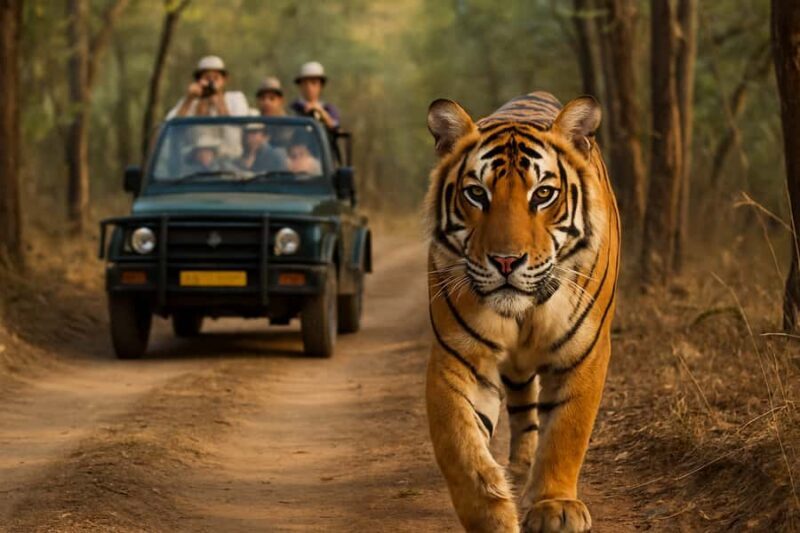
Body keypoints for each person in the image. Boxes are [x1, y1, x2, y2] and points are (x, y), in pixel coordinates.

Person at [167, 55, 249, 119]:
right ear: (198, 81)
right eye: (207, 78)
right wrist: (189, 99)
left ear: (224, 80)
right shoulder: (190, 101)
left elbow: (236, 130)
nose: (211, 82)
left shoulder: (236, 98)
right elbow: (174, 126)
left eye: (215, 78)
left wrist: (219, 99)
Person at [290, 61, 341, 132]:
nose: (309, 88)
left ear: (321, 86)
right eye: (305, 83)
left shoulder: (329, 109)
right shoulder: (293, 108)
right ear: (300, 86)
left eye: (314, 83)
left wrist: (321, 113)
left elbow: (335, 127)